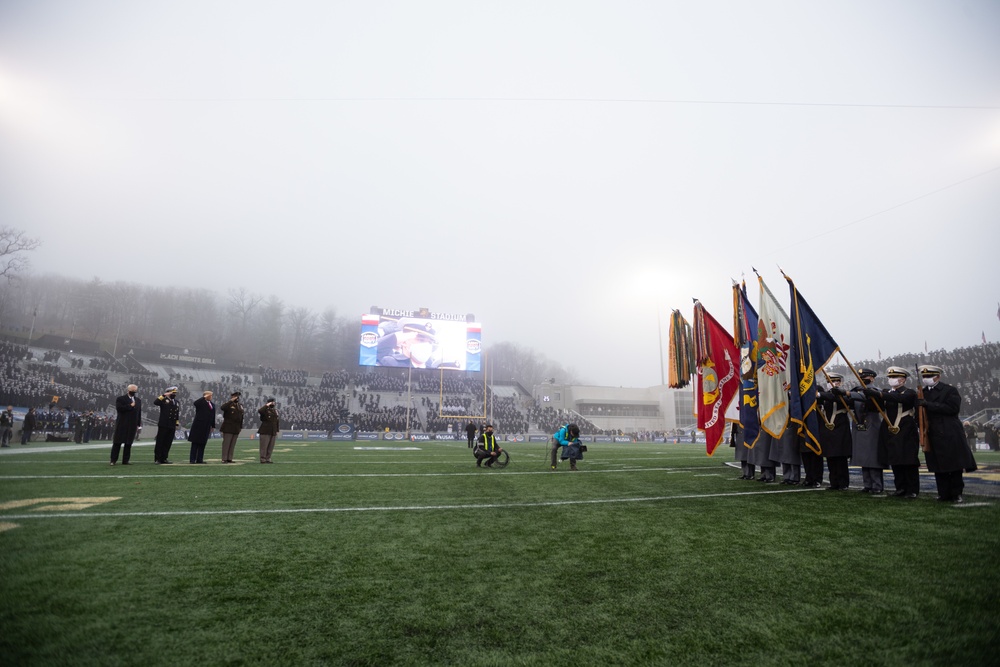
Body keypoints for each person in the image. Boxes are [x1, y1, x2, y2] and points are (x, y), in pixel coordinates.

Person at [917, 365, 977, 503]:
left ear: (937, 376)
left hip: (950, 430)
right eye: (924, 377)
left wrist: (928, 404)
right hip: (932, 431)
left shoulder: (949, 390)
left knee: (954, 465)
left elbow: (952, 408)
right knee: (938, 465)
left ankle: (956, 493)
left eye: (928, 376)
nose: (925, 379)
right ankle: (943, 493)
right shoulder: (922, 392)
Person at [867, 367, 920, 498]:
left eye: (894, 377)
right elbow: (877, 406)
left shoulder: (909, 392)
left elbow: (899, 399)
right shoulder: (887, 393)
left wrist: (879, 394)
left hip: (906, 428)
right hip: (890, 429)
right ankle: (900, 488)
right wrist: (869, 396)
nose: (891, 380)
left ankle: (912, 489)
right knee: (895, 459)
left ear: (902, 380)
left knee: (908, 460)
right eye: (889, 377)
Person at [849, 368, 886, 494]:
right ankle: (867, 484)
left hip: (872, 423)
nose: (862, 378)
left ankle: (877, 485)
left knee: (873, 456)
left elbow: (867, 398)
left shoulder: (875, 391)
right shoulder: (856, 390)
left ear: (872, 378)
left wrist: (849, 394)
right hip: (859, 423)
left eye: (865, 377)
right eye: (861, 376)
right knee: (863, 456)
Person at [816, 372, 852, 490]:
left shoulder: (843, 395)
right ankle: (834, 482)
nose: (832, 383)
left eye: (836, 381)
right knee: (830, 457)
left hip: (840, 429)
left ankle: (843, 483)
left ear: (840, 382)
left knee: (840, 458)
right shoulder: (825, 395)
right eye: (829, 381)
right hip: (828, 430)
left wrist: (820, 395)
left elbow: (839, 399)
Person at [110, 384, 142, 466]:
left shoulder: (138, 400)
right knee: (117, 442)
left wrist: (138, 424)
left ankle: (125, 460)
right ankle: (113, 460)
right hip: (122, 423)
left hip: (132, 424)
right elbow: (119, 408)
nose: (134, 392)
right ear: (128, 390)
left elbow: (139, 413)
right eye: (132, 390)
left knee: (128, 443)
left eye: (135, 391)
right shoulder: (121, 399)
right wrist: (129, 406)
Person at [153, 386, 180, 464]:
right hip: (164, 423)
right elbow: (156, 402)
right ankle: (157, 459)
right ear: (168, 392)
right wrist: (164, 395)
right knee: (160, 441)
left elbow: (176, 413)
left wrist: (176, 423)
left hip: (172, 424)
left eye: (175, 393)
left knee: (168, 442)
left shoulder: (177, 402)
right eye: (173, 393)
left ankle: (164, 458)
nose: (174, 394)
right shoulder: (163, 400)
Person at [187, 390, 215, 464]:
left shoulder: (212, 404)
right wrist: (204, 397)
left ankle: (200, 459)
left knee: (203, 443)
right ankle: (192, 459)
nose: (211, 397)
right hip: (198, 425)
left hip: (207, 426)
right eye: (210, 395)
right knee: (195, 443)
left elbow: (213, 416)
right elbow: (195, 403)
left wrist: (213, 426)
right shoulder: (201, 402)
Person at [219, 391, 244, 463]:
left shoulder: (240, 405)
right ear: (232, 397)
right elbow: (222, 408)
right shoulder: (228, 404)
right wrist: (231, 401)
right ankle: (224, 458)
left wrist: (240, 427)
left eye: (238, 397)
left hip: (236, 427)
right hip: (228, 427)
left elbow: (241, 417)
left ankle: (230, 458)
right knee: (226, 443)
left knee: (232, 444)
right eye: (235, 396)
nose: (237, 398)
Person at [258, 397, 280, 464]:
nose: (274, 403)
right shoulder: (265, 410)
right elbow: (260, 411)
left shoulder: (275, 411)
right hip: (265, 430)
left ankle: (268, 458)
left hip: (272, 431)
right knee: (264, 446)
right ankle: (263, 459)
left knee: (270, 446)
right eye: (272, 402)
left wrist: (277, 430)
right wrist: (266, 405)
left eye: (274, 402)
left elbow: (277, 421)